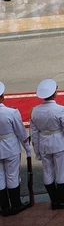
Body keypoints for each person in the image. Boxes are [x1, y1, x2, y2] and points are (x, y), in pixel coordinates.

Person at [31, 78, 64, 210]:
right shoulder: (61, 109)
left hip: (44, 143)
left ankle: (54, 200)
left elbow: (34, 133)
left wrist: (37, 150)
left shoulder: (35, 110)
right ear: (54, 93)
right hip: (59, 143)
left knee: (48, 172)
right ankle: (63, 199)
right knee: (61, 171)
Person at [0, 81, 31, 216]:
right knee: (12, 176)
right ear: (3, 97)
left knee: (0, 178)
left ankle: (4, 207)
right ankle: (16, 204)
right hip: (10, 147)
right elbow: (20, 132)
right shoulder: (11, 112)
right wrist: (27, 147)